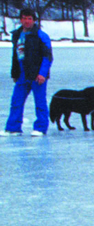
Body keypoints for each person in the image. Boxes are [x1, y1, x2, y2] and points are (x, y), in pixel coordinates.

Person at [7, 7, 52, 137]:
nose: (27, 21)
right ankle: (13, 128)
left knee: (40, 102)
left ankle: (40, 128)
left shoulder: (41, 36)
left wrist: (42, 73)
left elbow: (48, 57)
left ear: (33, 20)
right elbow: (15, 56)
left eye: (29, 19)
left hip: (37, 75)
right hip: (22, 74)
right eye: (24, 18)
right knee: (16, 101)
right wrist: (15, 73)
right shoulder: (16, 35)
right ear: (20, 20)